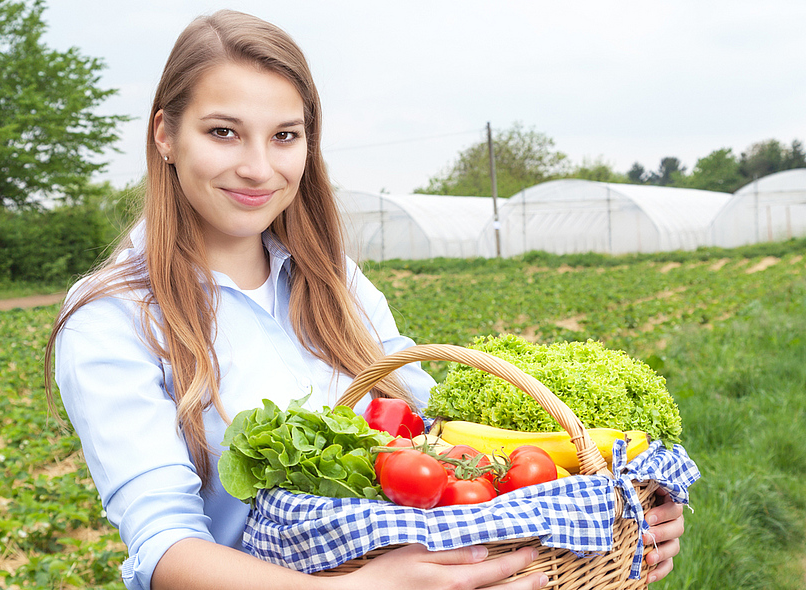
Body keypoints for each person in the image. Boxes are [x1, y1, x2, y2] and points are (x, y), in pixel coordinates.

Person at [44, 9, 685, 590]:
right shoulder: (112, 320)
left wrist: (617, 519)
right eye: (224, 132)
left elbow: (442, 435)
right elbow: (165, 549)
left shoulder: (333, 281)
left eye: (285, 136)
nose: (259, 168)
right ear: (165, 135)